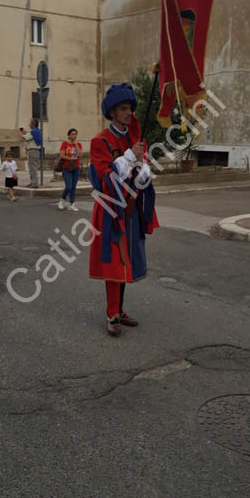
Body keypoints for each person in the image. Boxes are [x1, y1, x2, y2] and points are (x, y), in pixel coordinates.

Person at [88, 83, 158, 337]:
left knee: (126, 262)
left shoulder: (135, 139)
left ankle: (120, 308)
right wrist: (129, 157)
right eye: (124, 108)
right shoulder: (100, 141)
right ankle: (112, 313)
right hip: (110, 211)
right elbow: (103, 178)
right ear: (113, 112)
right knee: (115, 264)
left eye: (131, 108)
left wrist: (142, 169)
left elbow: (142, 176)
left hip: (131, 210)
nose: (130, 113)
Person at [58, 128, 82, 212]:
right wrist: (71, 158)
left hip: (76, 168)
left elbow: (79, 154)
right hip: (66, 168)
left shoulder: (78, 144)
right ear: (69, 135)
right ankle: (62, 199)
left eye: (75, 134)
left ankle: (72, 204)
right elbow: (62, 155)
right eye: (72, 134)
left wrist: (76, 145)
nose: (74, 136)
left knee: (73, 187)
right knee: (69, 186)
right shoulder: (64, 143)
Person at [19, 119, 43, 188]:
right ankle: (33, 182)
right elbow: (29, 136)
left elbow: (24, 137)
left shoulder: (33, 131)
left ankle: (34, 183)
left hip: (32, 151)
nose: (29, 124)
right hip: (35, 151)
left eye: (30, 123)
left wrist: (19, 132)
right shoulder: (36, 131)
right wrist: (25, 132)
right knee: (32, 167)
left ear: (33, 124)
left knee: (32, 168)